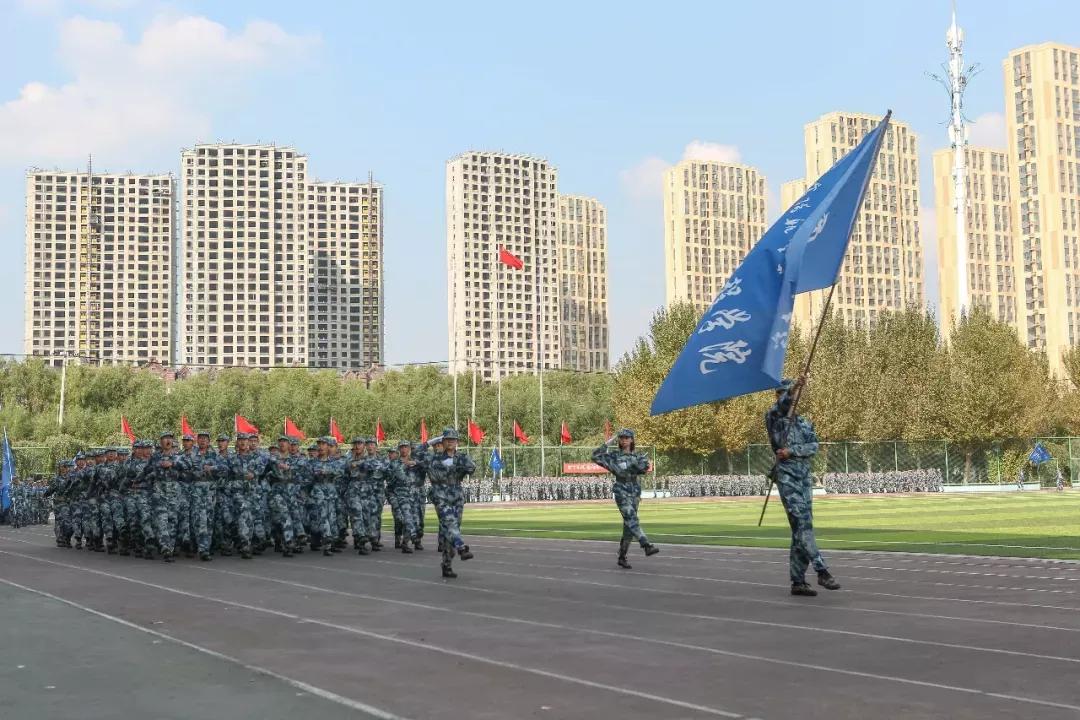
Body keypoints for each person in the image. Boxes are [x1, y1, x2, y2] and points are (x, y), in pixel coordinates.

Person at [765, 378, 841, 597]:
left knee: (800, 528)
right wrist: (793, 389)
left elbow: (813, 445)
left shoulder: (804, 423)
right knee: (802, 524)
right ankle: (822, 570)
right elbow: (781, 406)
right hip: (786, 477)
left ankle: (798, 581)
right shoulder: (774, 418)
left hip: (804, 478)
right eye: (783, 394)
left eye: (794, 395)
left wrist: (793, 451)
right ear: (778, 395)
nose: (790, 398)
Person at [592, 429, 659, 569]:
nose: (624, 440)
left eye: (627, 438)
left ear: (632, 440)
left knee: (628, 526)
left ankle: (622, 556)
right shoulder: (614, 456)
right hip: (621, 489)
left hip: (634, 490)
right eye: (621, 438)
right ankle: (646, 545)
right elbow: (595, 456)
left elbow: (644, 468)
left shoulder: (638, 457)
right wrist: (608, 443)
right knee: (631, 518)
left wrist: (634, 466)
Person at [426, 427, 476, 579]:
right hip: (440, 495)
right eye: (448, 439)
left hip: (456, 496)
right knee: (449, 522)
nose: (451, 442)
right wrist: (429, 442)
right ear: (442, 441)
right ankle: (461, 547)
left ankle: (447, 564)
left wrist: (462, 466)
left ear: (457, 442)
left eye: (453, 440)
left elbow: (471, 468)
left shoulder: (461, 457)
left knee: (451, 530)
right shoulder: (434, 459)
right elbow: (417, 452)